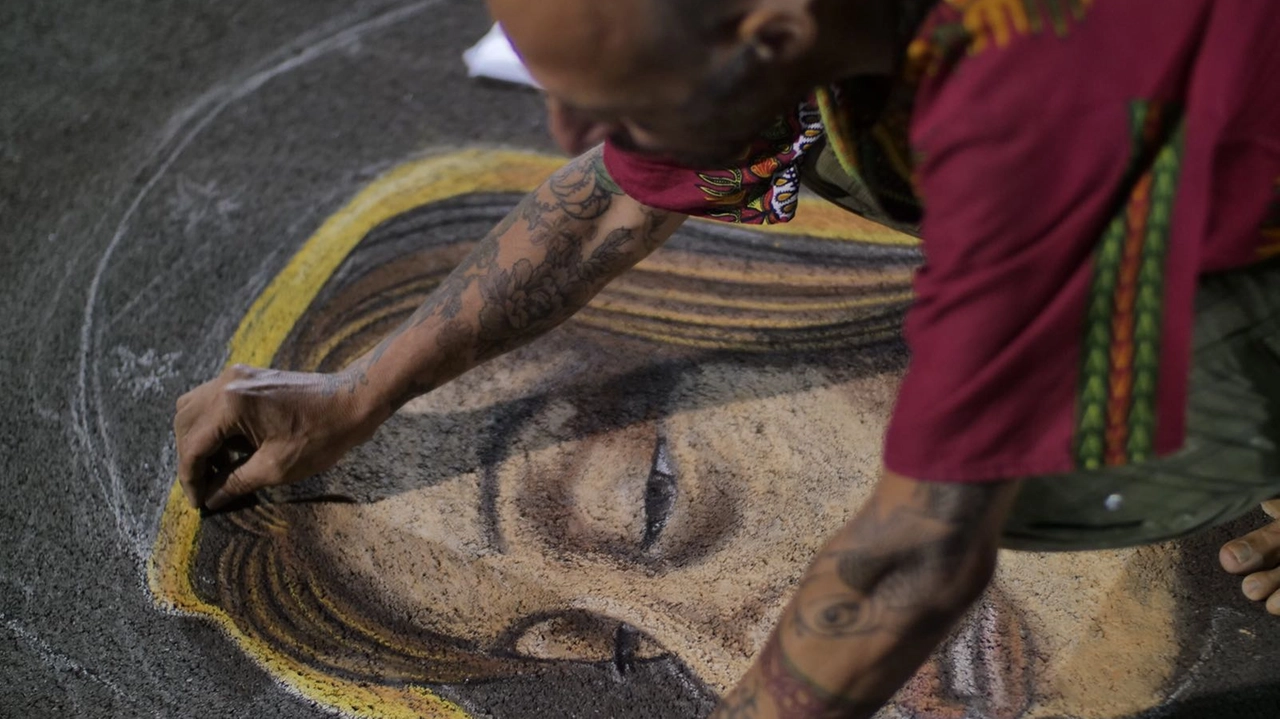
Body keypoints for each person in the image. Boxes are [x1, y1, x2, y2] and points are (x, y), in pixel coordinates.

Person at [173, 0, 1280, 716]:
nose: (559, 129)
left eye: (648, 496)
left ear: (772, 33)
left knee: (1031, 478)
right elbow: (609, 202)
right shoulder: (824, 39)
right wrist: (362, 390)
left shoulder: (1031, 117)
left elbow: (908, 555)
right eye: (595, 638)